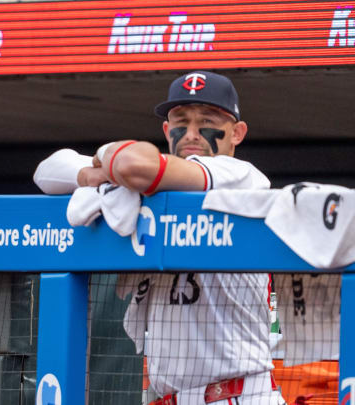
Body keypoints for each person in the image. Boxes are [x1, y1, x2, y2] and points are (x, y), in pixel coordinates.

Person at [34, 71, 285, 405]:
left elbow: (138, 166)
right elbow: (46, 171)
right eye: (181, 122)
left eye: (207, 121)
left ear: (236, 133)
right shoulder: (144, 190)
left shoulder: (238, 175)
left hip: (237, 396)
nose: (192, 134)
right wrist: (101, 173)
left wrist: (111, 166)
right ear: (166, 131)